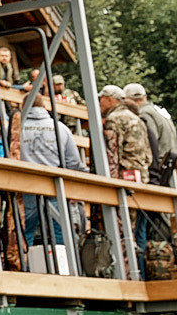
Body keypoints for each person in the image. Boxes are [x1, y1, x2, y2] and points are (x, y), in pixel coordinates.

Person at [16, 83, 82, 266]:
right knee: (60, 232)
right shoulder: (60, 128)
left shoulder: (16, 129)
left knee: (25, 232)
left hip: (26, 186)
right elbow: (73, 162)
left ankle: (25, 271)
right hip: (55, 188)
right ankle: (65, 270)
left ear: (24, 107)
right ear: (44, 107)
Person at [127, 82, 177, 187]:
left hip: (158, 166)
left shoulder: (143, 113)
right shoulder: (158, 110)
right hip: (169, 162)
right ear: (145, 96)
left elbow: (151, 140)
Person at [98, 87, 150, 183]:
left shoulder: (114, 119)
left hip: (124, 177)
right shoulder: (137, 119)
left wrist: (110, 182)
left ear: (110, 99)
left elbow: (112, 154)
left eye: (101, 99)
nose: (99, 103)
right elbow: (148, 155)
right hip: (141, 176)